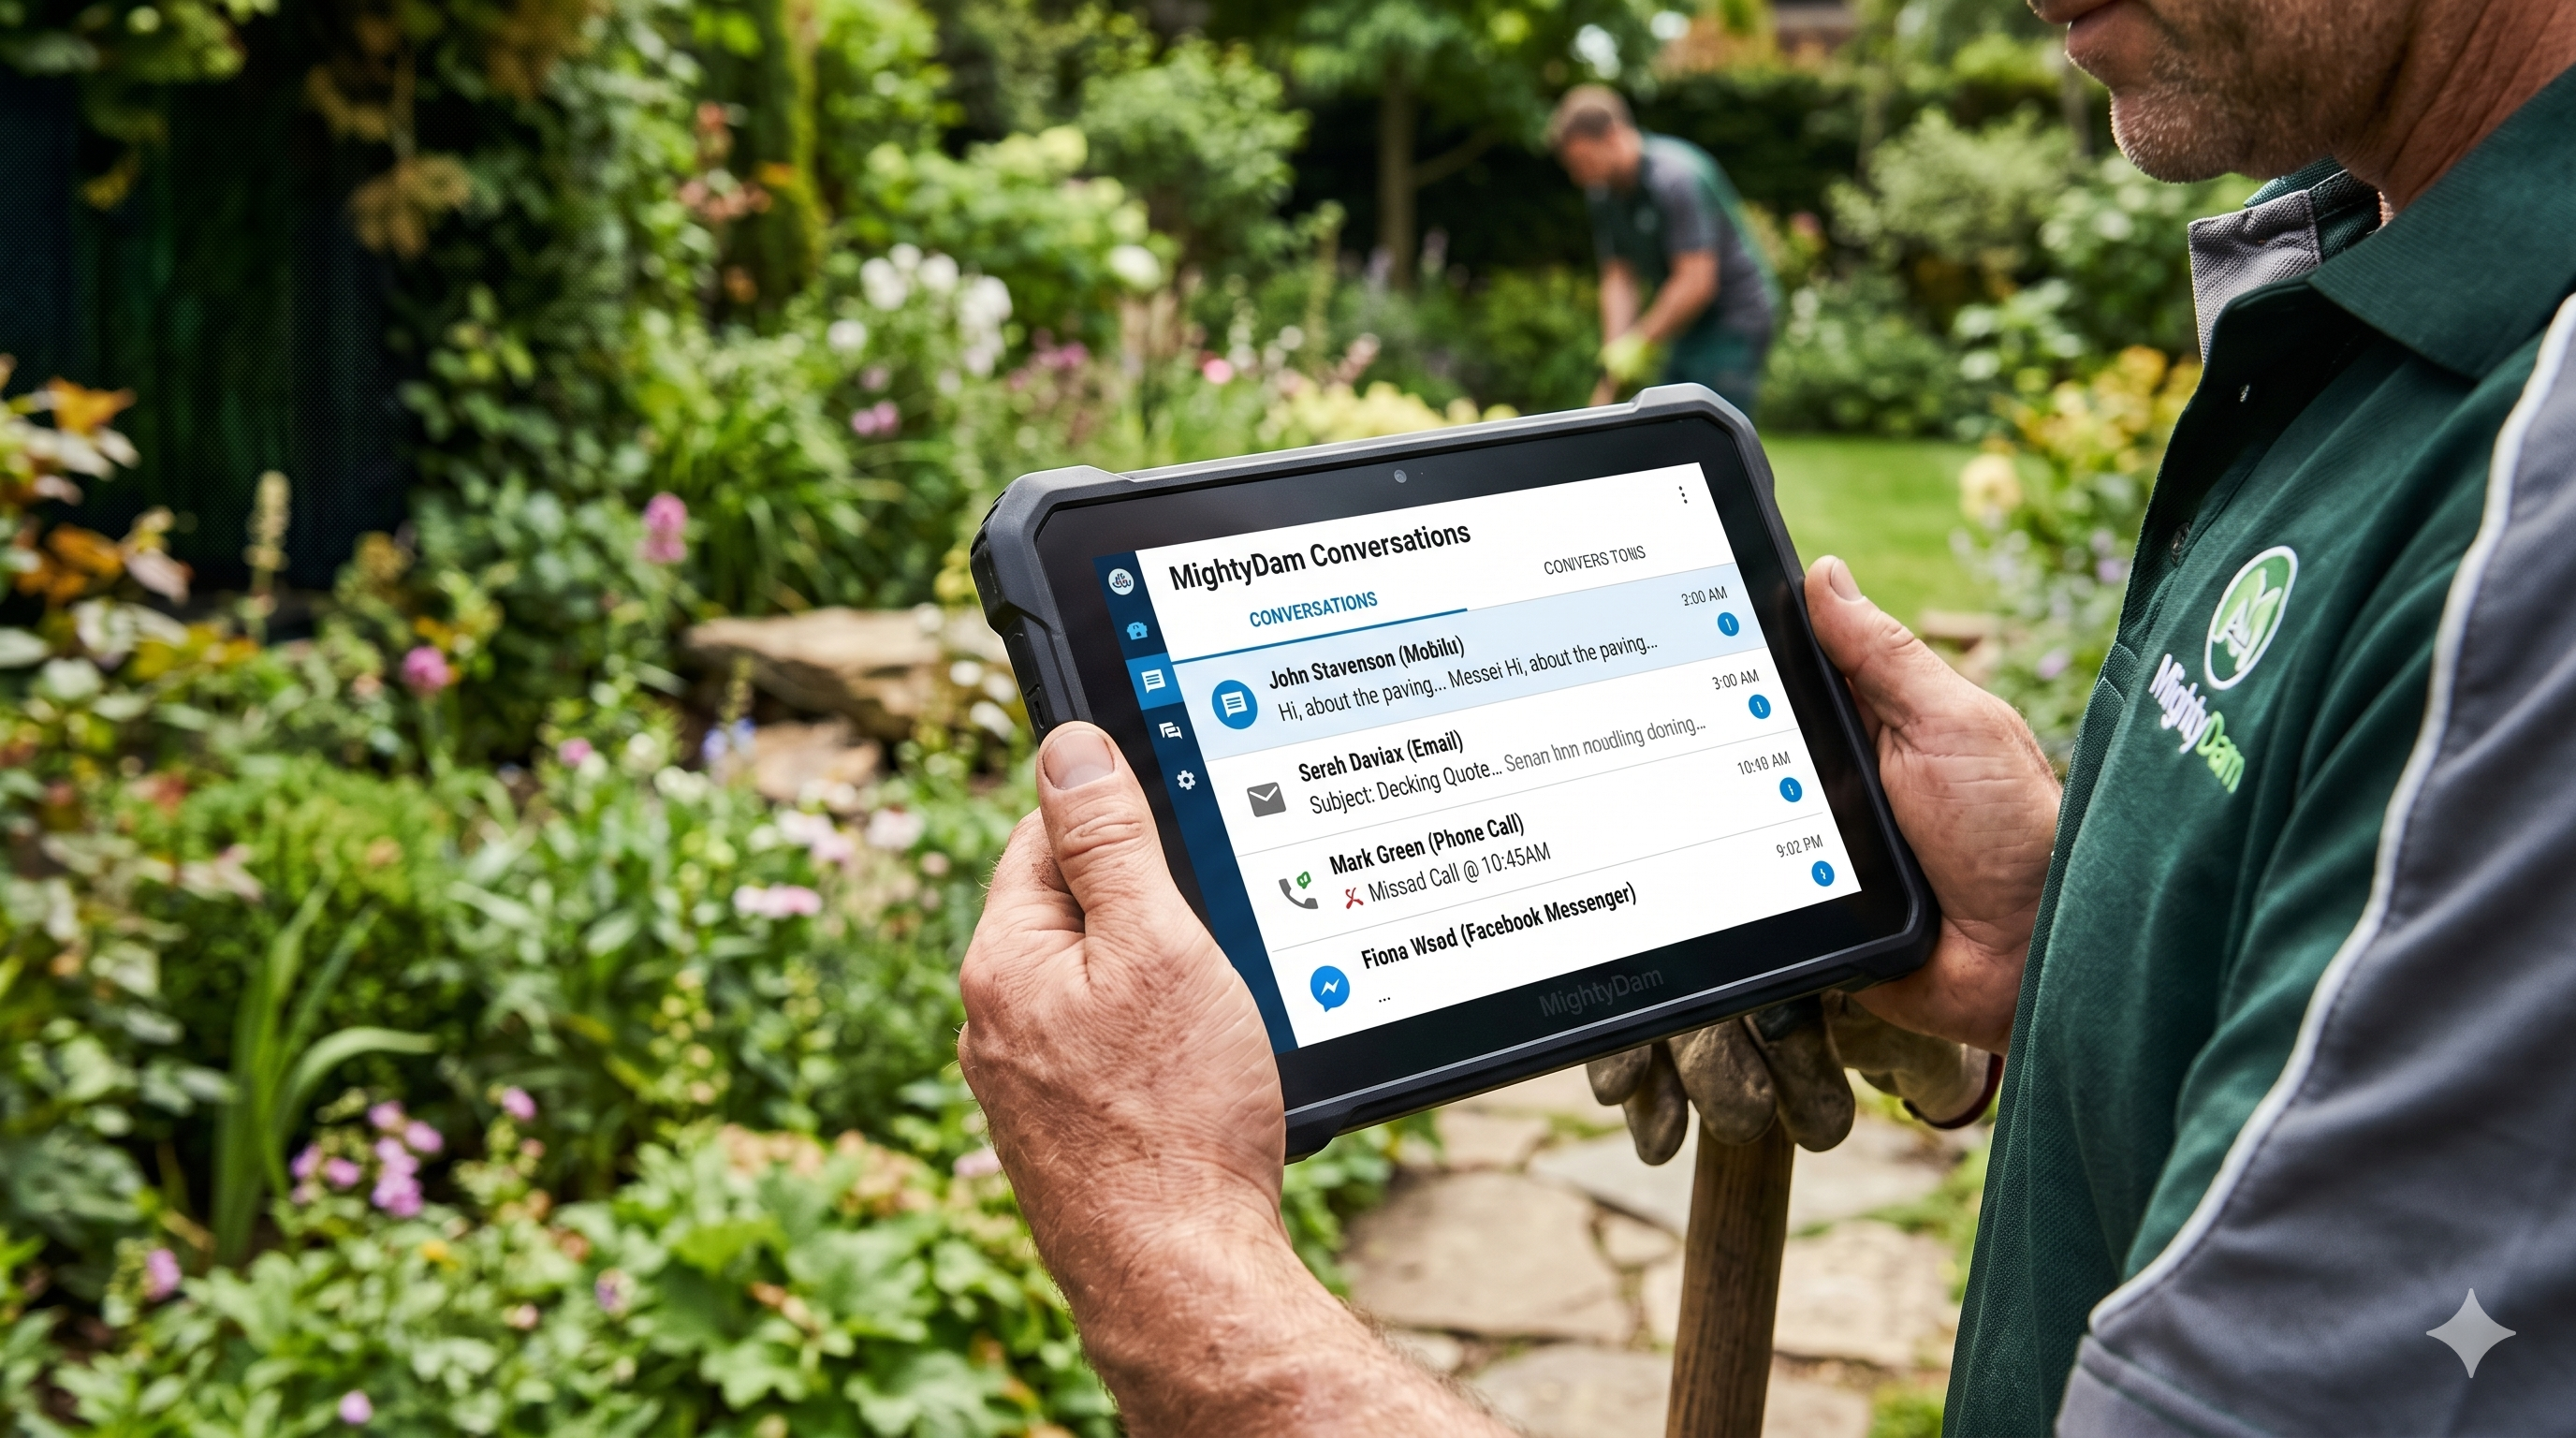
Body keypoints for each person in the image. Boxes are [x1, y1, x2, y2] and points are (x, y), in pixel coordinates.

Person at [957, 0, 2576, 1431]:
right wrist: (2053, 958)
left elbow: (1671, 278)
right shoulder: (2369, 280)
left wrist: (1172, 1254)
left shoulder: (2538, 492)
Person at [1548, 86, 1779, 417]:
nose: (1579, 176)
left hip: (1734, 315)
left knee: (1712, 433)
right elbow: (1619, 277)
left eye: (1584, 161)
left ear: (1613, 136)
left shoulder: (1676, 178)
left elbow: (1696, 282)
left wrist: (1641, 341)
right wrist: (1616, 351)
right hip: (1689, 323)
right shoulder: (1604, 194)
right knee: (1672, 424)